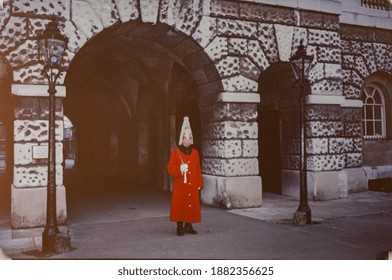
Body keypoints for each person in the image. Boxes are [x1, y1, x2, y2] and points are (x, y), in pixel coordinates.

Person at [167, 116, 203, 236]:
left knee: (191, 204)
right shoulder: (176, 153)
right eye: (185, 137)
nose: (187, 140)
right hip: (180, 185)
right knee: (180, 205)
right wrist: (179, 169)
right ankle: (179, 227)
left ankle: (189, 225)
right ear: (181, 138)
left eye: (189, 137)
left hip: (192, 183)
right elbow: (170, 169)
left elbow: (198, 169)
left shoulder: (195, 153)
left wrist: (199, 183)